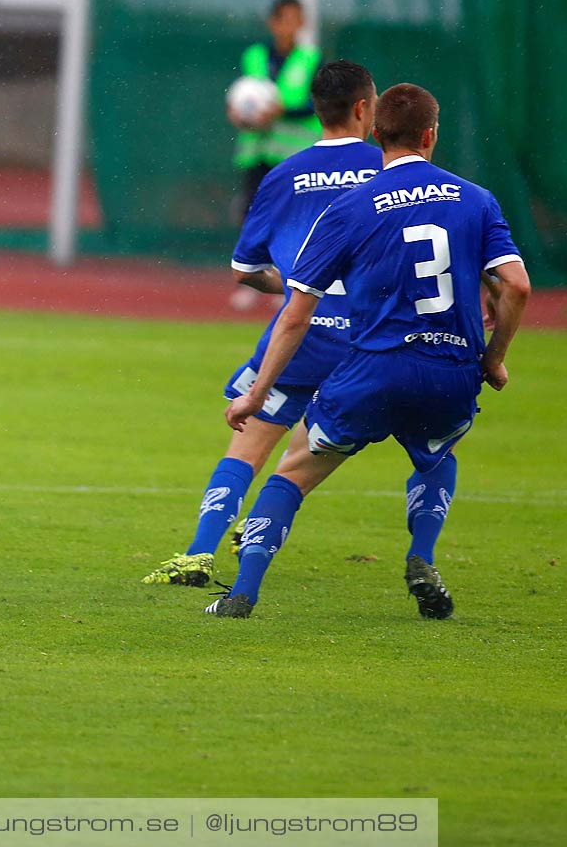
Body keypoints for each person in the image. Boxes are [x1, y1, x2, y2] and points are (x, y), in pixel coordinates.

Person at [212, 83, 532, 619]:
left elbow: (296, 311)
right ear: (431, 135)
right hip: (451, 371)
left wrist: (258, 394)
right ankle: (421, 555)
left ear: (376, 134)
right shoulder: (476, 199)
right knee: (436, 458)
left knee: (293, 472)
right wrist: (493, 357)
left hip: (373, 369)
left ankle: (242, 594)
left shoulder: (349, 208)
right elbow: (516, 286)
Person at [143, 60, 406, 587]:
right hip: (370, 338)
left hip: (300, 333)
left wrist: (294, 288)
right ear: (364, 109)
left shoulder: (282, 174)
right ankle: (268, 521)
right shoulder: (390, 173)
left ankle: (197, 554)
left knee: (248, 440)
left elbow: (244, 269)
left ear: (315, 109)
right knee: (339, 438)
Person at [229, 0, 321, 311]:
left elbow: (316, 103)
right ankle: (254, 279)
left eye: (297, 19)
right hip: (256, 153)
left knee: (293, 219)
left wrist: (283, 112)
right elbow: (242, 95)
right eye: (285, 18)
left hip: (293, 156)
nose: (291, 26)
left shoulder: (311, 60)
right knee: (253, 215)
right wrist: (238, 112)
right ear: (273, 22)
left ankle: (288, 281)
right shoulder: (254, 56)